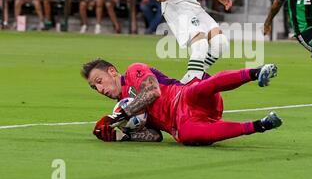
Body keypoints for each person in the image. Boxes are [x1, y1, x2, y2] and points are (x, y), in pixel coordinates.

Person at [82, 59, 282, 144]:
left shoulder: (135, 71)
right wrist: (121, 137)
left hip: (185, 98)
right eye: (94, 87)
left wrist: (118, 116)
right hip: (182, 124)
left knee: (199, 88)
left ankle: (256, 72)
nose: (100, 89)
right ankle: (260, 125)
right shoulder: (122, 107)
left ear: (112, 71)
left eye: (99, 82)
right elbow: (155, 136)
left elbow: (152, 92)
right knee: (186, 136)